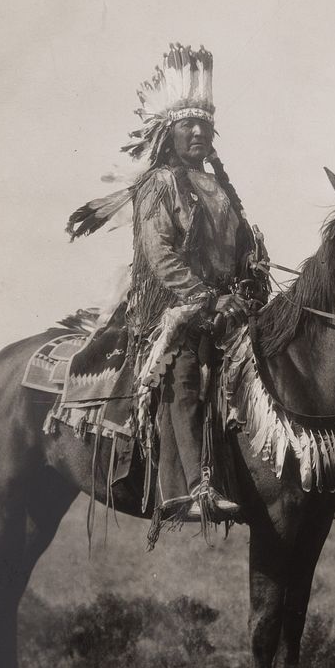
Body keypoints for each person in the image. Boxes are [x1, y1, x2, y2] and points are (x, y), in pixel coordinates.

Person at [67, 43, 268, 525]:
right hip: (172, 310)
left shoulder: (220, 189)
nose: (198, 132)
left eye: (204, 125)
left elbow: (240, 247)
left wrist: (253, 271)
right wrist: (204, 297)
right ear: (168, 132)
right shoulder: (159, 184)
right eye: (187, 125)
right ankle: (187, 491)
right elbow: (161, 255)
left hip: (229, 307)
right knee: (182, 374)